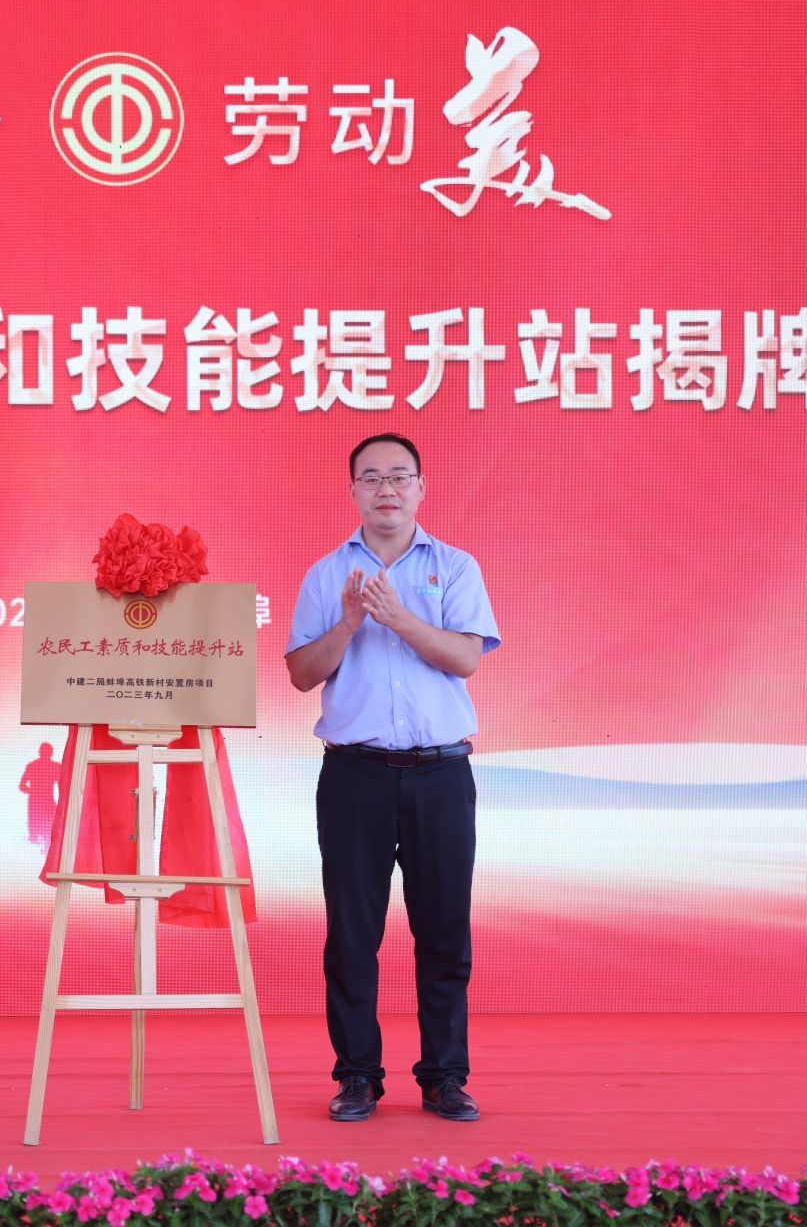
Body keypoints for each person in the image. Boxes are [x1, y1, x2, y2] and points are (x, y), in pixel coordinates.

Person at [284, 432, 500, 1123]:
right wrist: (350, 623)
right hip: (355, 777)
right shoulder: (327, 576)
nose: (386, 489)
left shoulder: (456, 567)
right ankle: (356, 1076)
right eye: (371, 477)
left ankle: (444, 1076)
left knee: (444, 930)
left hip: (441, 775)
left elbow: (465, 659)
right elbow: (301, 673)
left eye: (399, 476)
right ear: (352, 490)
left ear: (421, 488)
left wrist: (400, 618)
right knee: (352, 933)